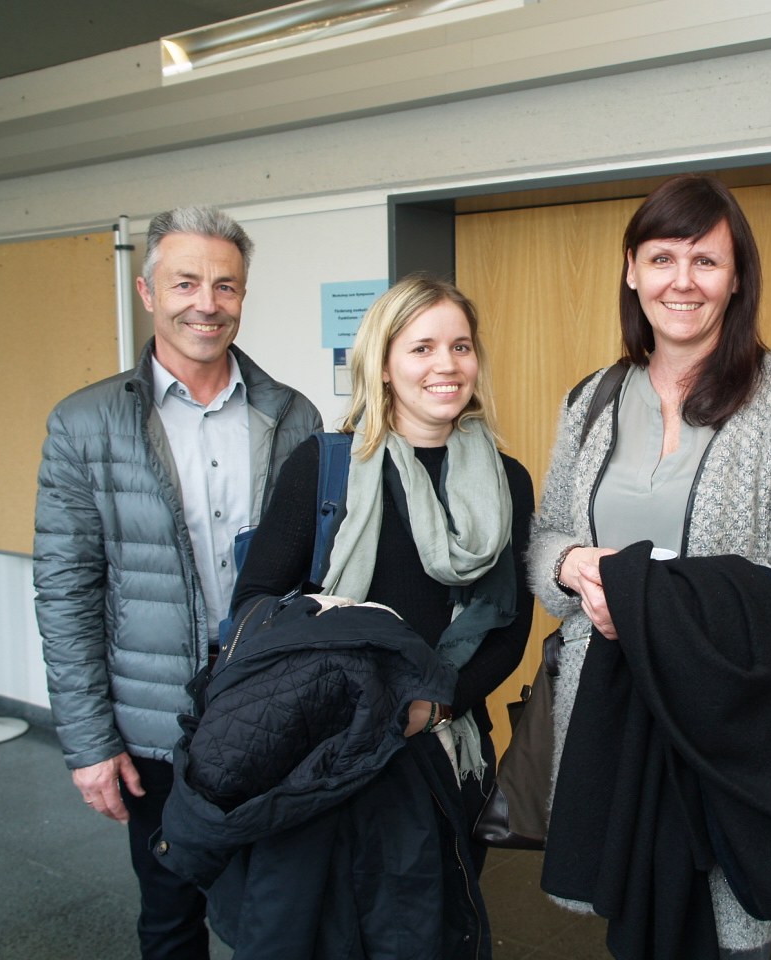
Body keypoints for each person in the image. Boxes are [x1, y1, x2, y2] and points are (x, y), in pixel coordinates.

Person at [529, 173, 771, 959]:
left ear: (736, 277)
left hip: (727, 722)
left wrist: (651, 600)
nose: (683, 280)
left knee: (725, 935)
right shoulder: (592, 398)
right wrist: (574, 566)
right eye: (662, 258)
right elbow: (543, 540)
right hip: (609, 717)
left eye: (706, 260)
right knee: (633, 926)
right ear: (631, 270)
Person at [214, 273, 534, 952]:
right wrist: (362, 705)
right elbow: (255, 604)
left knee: (436, 928)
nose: (446, 365)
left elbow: (509, 629)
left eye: (460, 346)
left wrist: (433, 708)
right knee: (333, 931)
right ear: (383, 365)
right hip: (331, 748)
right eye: (421, 348)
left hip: (446, 749)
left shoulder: (507, 481)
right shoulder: (325, 466)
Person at [34, 206, 322, 958]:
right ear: (147, 291)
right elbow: (66, 591)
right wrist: (89, 742)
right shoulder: (84, 424)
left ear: (243, 295)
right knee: (169, 917)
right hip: (156, 722)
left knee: (285, 913)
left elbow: (320, 574)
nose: (207, 303)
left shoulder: (292, 415)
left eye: (226, 286)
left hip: (270, 711)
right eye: (185, 282)